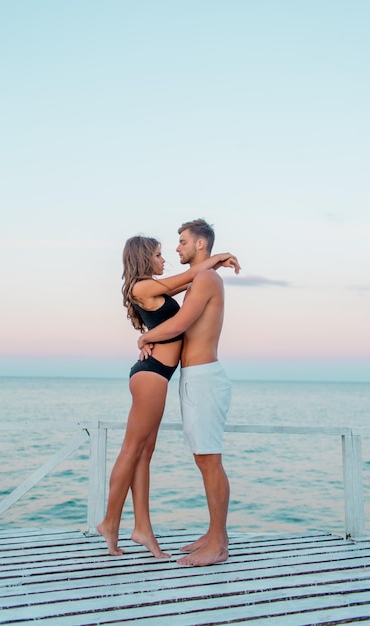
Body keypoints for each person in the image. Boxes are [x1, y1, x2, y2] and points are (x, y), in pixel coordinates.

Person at [97, 234, 239, 558]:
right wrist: (220, 257)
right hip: (151, 376)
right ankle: (109, 522)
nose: (165, 260)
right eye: (159, 255)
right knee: (132, 450)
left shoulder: (151, 286)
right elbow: (189, 278)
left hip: (158, 376)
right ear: (145, 257)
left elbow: (185, 284)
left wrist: (212, 263)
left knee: (144, 454)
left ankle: (142, 529)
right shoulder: (141, 286)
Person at [138, 219, 238, 566]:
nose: (176, 248)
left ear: (199, 245)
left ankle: (218, 545)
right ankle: (214, 535)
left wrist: (144, 338)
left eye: (182, 242)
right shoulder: (201, 278)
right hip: (197, 378)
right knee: (204, 459)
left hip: (204, 378)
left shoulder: (207, 279)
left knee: (209, 461)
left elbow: (180, 324)